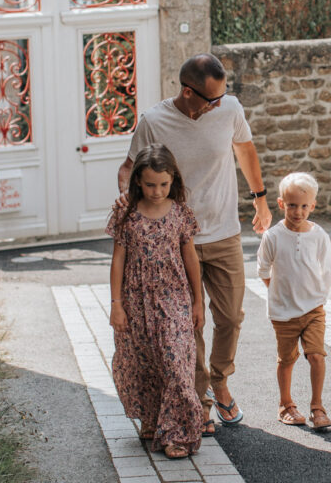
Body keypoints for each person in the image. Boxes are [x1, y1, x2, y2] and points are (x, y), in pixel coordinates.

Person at [118, 54, 272, 436]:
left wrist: (261, 198)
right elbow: (129, 166)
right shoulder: (155, 121)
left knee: (231, 317)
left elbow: (245, 150)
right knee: (188, 324)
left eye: (222, 97)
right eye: (211, 100)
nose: (219, 104)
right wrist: (128, 199)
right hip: (176, 240)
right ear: (188, 93)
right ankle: (199, 400)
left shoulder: (230, 108)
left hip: (223, 232)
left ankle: (220, 379)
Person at [108, 144, 204, 459]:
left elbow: (190, 258)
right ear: (138, 181)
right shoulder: (126, 214)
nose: (157, 191)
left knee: (177, 364)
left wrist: (198, 301)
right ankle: (152, 421)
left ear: (172, 180)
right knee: (144, 362)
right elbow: (118, 261)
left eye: (163, 184)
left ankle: (178, 434)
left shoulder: (180, 213)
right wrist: (116, 304)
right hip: (136, 300)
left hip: (174, 298)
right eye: (150, 184)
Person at [257, 172, 331, 431]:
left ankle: (317, 407)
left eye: (304, 206)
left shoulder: (319, 235)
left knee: (316, 356)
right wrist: (278, 291)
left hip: (313, 308)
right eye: (292, 205)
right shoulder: (273, 237)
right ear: (281, 204)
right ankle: (286, 405)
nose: (298, 211)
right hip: (283, 313)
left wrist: (318, 297)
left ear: (312, 206)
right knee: (287, 359)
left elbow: (326, 269)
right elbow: (263, 269)